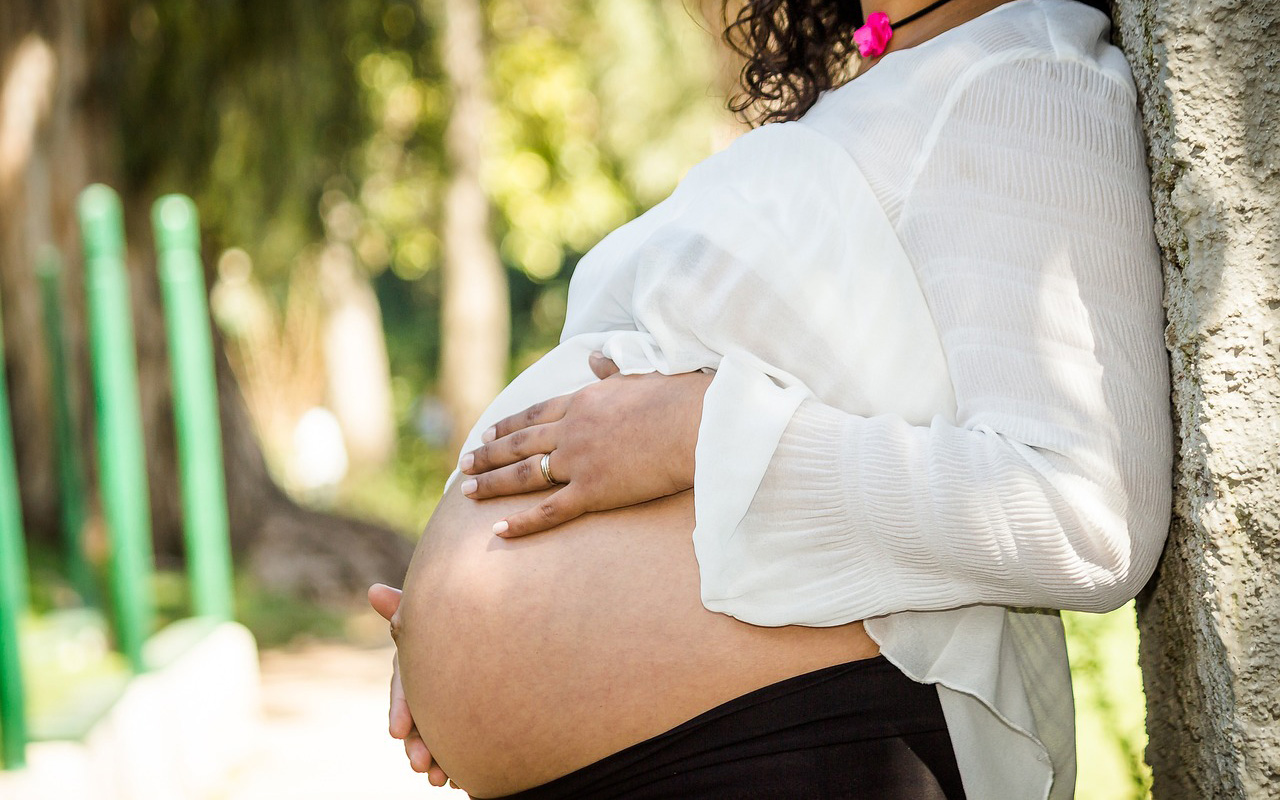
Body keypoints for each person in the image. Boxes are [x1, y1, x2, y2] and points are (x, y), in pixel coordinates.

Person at [369, 0, 1171, 796]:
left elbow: (1088, 516)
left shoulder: (1023, 71)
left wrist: (699, 433)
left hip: (796, 742)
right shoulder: (872, 95)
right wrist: (445, 632)